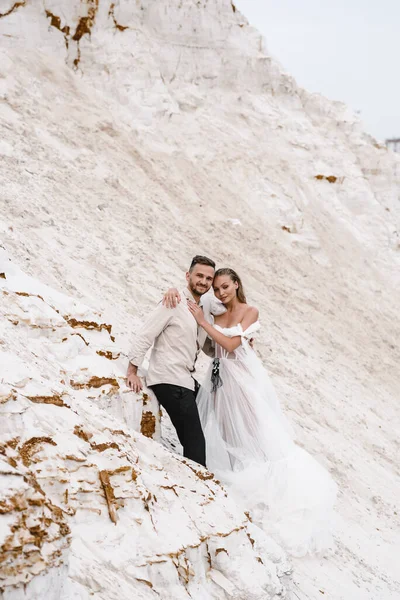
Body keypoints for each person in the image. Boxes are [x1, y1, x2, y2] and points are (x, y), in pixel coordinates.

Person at [165, 267, 337, 556]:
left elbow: (232, 344)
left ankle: (268, 493)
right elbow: (211, 340)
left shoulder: (250, 311)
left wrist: (202, 322)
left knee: (254, 430)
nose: (220, 292)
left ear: (236, 284)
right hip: (220, 380)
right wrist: (175, 294)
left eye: (224, 286)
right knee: (227, 433)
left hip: (243, 378)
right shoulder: (215, 313)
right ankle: (242, 485)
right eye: (217, 288)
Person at [126, 255, 224, 467]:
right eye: (199, 275)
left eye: (208, 278)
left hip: (185, 379)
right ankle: (198, 483)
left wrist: (235, 344)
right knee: (195, 443)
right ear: (188, 276)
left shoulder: (200, 308)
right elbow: (146, 334)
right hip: (169, 380)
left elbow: (207, 347)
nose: (204, 282)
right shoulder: (174, 300)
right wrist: (132, 370)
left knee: (213, 410)